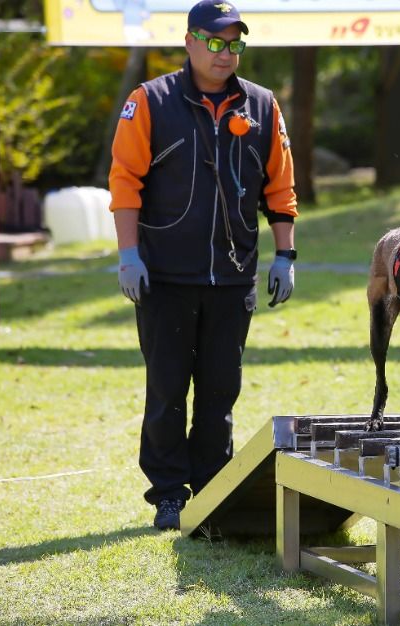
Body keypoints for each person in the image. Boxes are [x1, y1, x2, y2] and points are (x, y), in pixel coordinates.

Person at [108, 0, 298, 531]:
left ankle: (213, 493)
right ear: (189, 41)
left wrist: (285, 254)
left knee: (220, 390)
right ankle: (169, 493)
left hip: (232, 277)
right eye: (214, 41)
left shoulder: (262, 106)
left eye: (234, 42)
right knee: (167, 387)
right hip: (163, 275)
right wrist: (128, 254)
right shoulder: (150, 100)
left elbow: (280, 188)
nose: (224, 52)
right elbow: (125, 182)